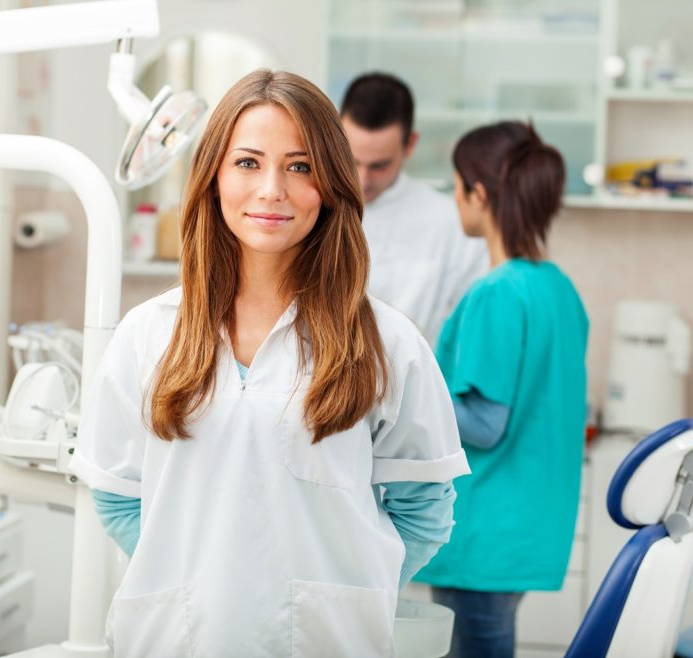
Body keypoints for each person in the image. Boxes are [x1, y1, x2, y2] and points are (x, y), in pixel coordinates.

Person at [68, 69, 470, 657]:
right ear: (213, 178)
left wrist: (351, 579)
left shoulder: (387, 343)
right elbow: (116, 494)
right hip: (178, 639)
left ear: (331, 182)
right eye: (248, 163)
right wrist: (200, 576)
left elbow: (424, 510)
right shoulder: (148, 334)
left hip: (328, 642)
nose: (272, 190)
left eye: (300, 166)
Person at [414, 121, 589, 658]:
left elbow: (486, 425)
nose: (455, 201)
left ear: (480, 194)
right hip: (528, 527)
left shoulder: (496, 293)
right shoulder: (558, 288)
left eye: (456, 187)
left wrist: (401, 390)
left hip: (484, 533)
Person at [339, 72, 488, 347]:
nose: (362, 179)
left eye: (379, 165)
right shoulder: (310, 209)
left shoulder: (450, 224)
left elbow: (473, 327)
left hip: (416, 384)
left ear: (410, 144)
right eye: (353, 159)